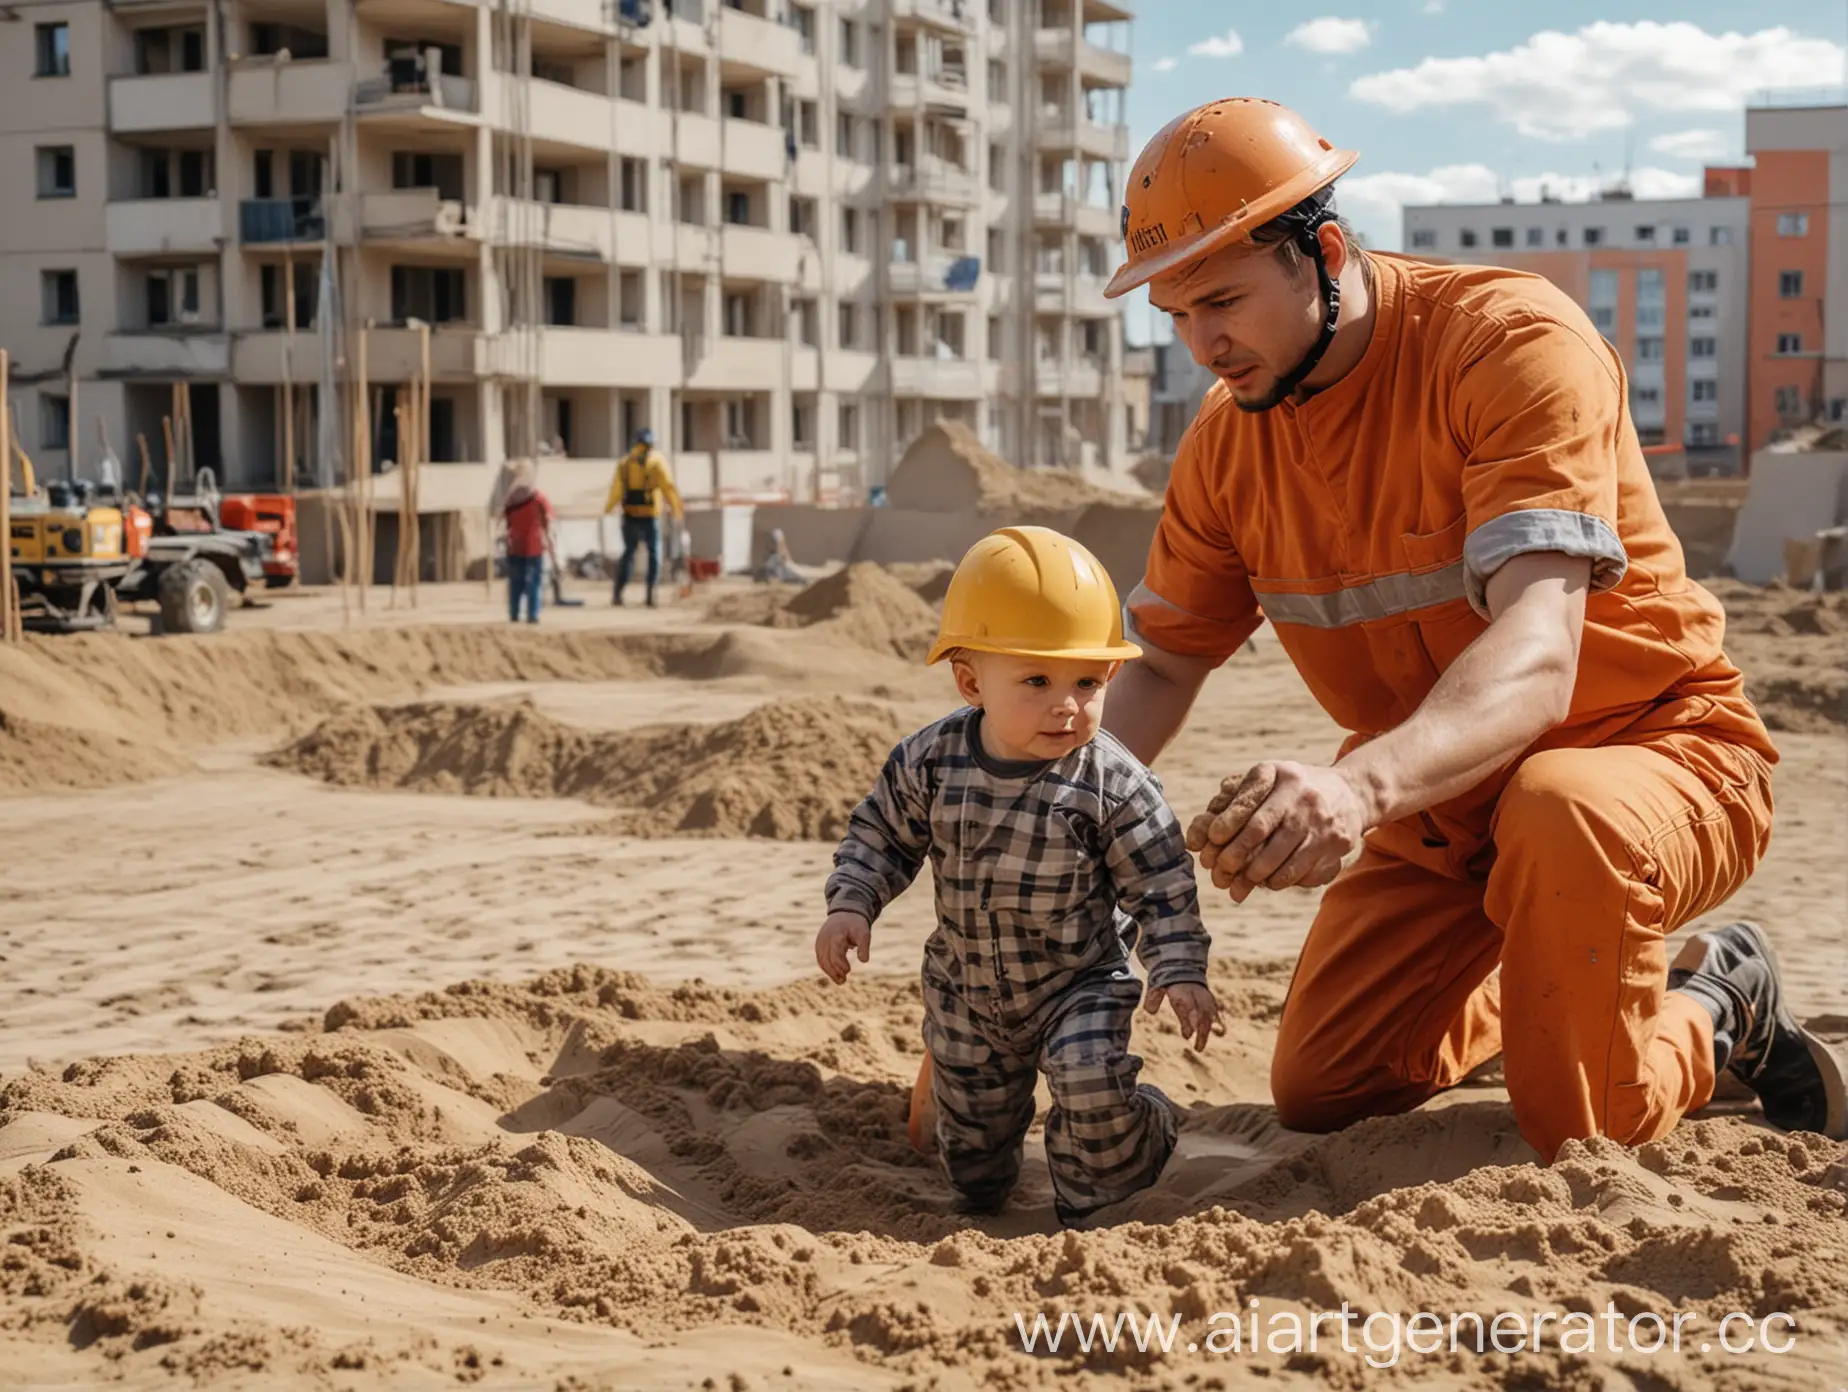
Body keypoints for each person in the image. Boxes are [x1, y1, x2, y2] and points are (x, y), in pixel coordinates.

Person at [1095, 97, 1846, 1160]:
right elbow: (1164, 663)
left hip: (1647, 762)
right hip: (1452, 807)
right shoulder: (1229, 444)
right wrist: (1045, 816)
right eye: (1175, 314)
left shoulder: (1506, 344)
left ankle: (1719, 1002)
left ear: (1327, 251)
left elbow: (1539, 660)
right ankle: (1559, 988)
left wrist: (1354, 788)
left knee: (1585, 1117)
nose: (1202, 343)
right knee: (1326, 1084)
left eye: (1222, 300)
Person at [816, 526, 1221, 1225]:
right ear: (972, 681)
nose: (1067, 704)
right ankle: (982, 1172)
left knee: (1092, 1091)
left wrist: (1179, 969)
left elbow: (1161, 882)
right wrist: (852, 903)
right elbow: (880, 835)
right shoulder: (932, 762)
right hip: (966, 989)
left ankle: (1127, 1154)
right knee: (973, 1167)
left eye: (1087, 682)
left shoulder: (1114, 783)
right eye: (1037, 681)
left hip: (1079, 984)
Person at [604, 428, 684, 607]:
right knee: (654, 554)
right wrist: (676, 509)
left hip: (630, 514)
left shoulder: (625, 463)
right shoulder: (657, 462)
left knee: (628, 553)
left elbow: (616, 489)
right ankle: (650, 595)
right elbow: (668, 486)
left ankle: (618, 593)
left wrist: (608, 508)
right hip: (650, 516)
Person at [501, 460, 552, 624]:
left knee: (516, 582)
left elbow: (507, 523)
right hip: (532, 545)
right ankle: (532, 614)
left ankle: (514, 614)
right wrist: (548, 538)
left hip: (517, 544)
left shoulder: (510, 501)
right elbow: (547, 519)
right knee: (533, 582)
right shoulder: (537, 498)